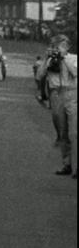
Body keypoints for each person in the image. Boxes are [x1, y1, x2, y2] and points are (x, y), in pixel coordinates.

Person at [35, 34, 77, 178]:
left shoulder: (73, 58)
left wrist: (64, 58)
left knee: (74, 132)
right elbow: (39, 76)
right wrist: (47, 59)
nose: (56, 49)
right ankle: (67, 164)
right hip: (56, 94)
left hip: (71, 93)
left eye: (59, 46)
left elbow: (76, 72)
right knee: (62, 131)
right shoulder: (49, 60)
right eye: (54, 46)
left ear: (67, 47)